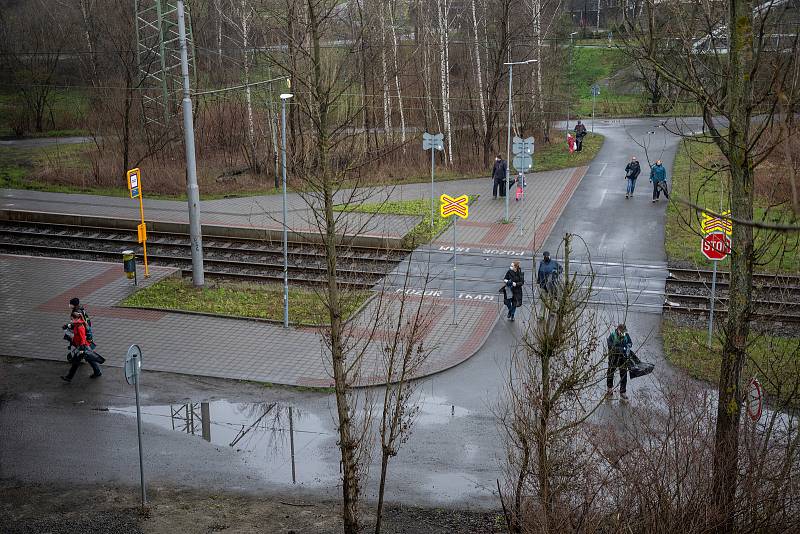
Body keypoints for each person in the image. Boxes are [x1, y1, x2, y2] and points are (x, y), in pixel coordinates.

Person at [61, 311, 102, 381]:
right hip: (81, 346)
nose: (71, 321)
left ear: (76, 319)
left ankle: (69, 377)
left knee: (78, 362)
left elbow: (83, 338)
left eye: (72, 319)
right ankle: (97, 372)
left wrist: (82, 349)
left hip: (83, 347)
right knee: (89, 360)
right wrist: (67, 326)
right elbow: (72, 325)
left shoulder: (80, 327)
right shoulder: (77, 324)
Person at [607, 324, 632, 400]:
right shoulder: (612, 336)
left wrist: (628, 346)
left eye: (624, 331)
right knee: (610, 373)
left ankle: (623, 392)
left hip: (623, 359)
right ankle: (609, 389)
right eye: (622, 331)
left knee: (624, 375)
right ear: (618, 330)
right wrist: (621, 348)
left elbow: (630, 343)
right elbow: (610, 346)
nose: (623, 333)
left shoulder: (626, 335)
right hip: (613, 358)